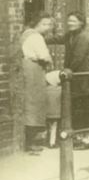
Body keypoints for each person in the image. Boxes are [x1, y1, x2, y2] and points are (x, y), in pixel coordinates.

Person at [53, 12, 89, 149]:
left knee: (85, 109)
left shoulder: (83, 37)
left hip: (85, 78)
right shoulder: (70, 35)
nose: (70, 23)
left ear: (81, 23)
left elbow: (78, 58)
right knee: (77, 108)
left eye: (73, 21)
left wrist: (66, 72)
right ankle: (80, 137)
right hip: (76, 79)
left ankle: (87, 140)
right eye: (69, 21)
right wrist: (38, 36)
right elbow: (57, 39)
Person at [20, 12, 54, 154]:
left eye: (49, 24)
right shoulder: (36, 36)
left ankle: (29, 140)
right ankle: (32, 142)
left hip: (26, 68)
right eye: (44, 24)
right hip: (34, 69)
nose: (47, 27)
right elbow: (43, 56)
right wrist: (50, 61)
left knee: (29, 103)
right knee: (34, 104)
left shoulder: (25, 33)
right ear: (36, 24)